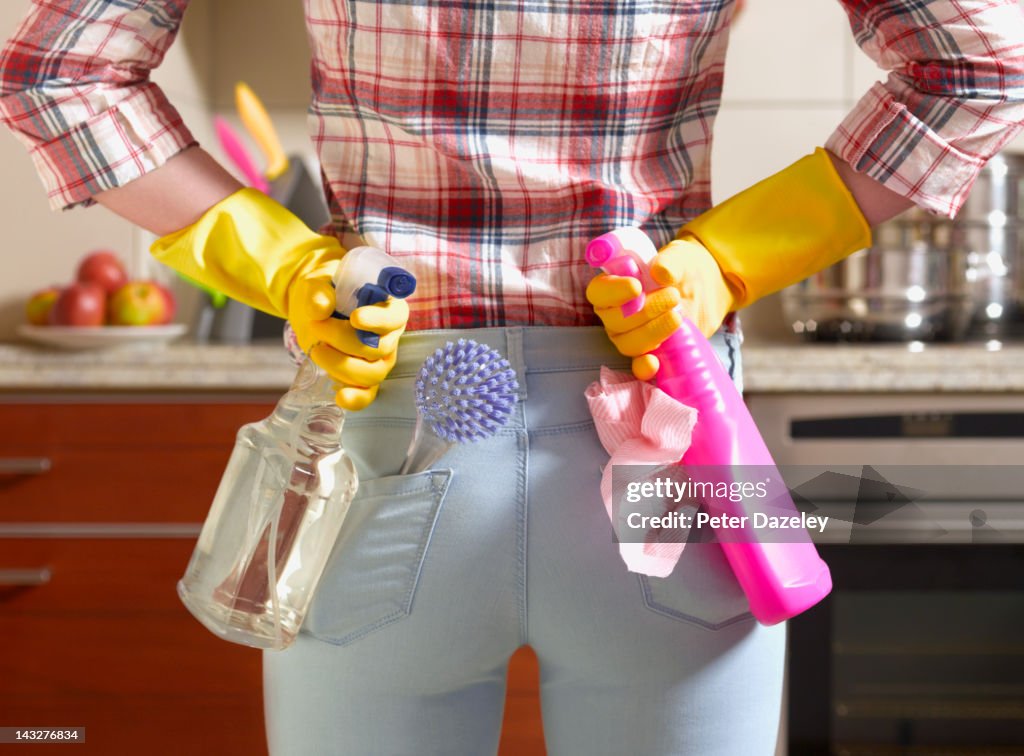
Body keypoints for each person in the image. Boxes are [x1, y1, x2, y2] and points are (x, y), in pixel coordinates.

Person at [2, 1, 1022, 753]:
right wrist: (722, 258)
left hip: (384, 445)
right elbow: (978, 70)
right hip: (661, 435)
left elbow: (59, 74)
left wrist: (286, 262)